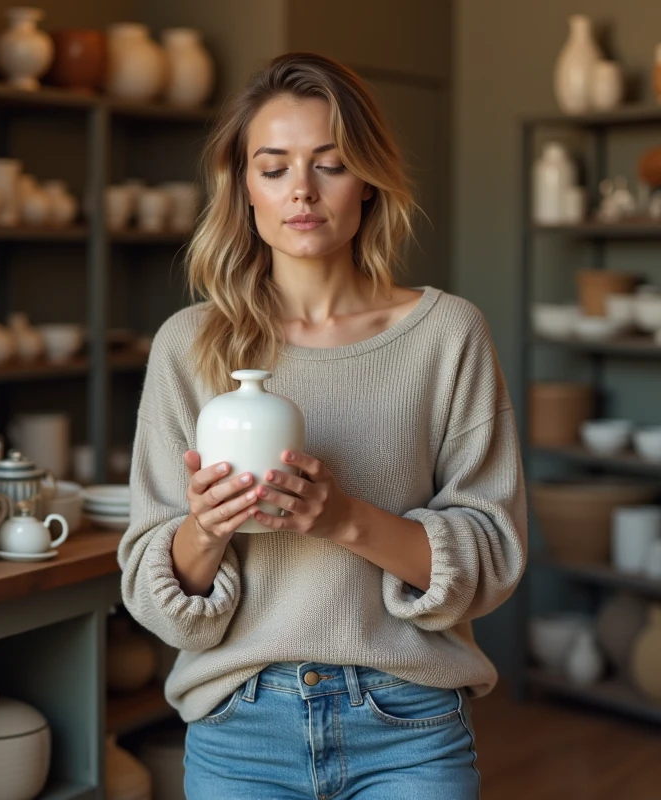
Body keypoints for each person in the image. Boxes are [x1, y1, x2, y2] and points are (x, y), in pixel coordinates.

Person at [117, 51, 526, 799]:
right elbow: (156, 590)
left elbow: (492, 554)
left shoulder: (447, 334)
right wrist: (205, 529)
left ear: (367, 179)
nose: (301, 190)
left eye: (330, 164)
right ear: (243, 187)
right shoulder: (190, 344)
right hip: (241, 730)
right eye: (274, 168)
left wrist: (342, 520)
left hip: (408, 725)